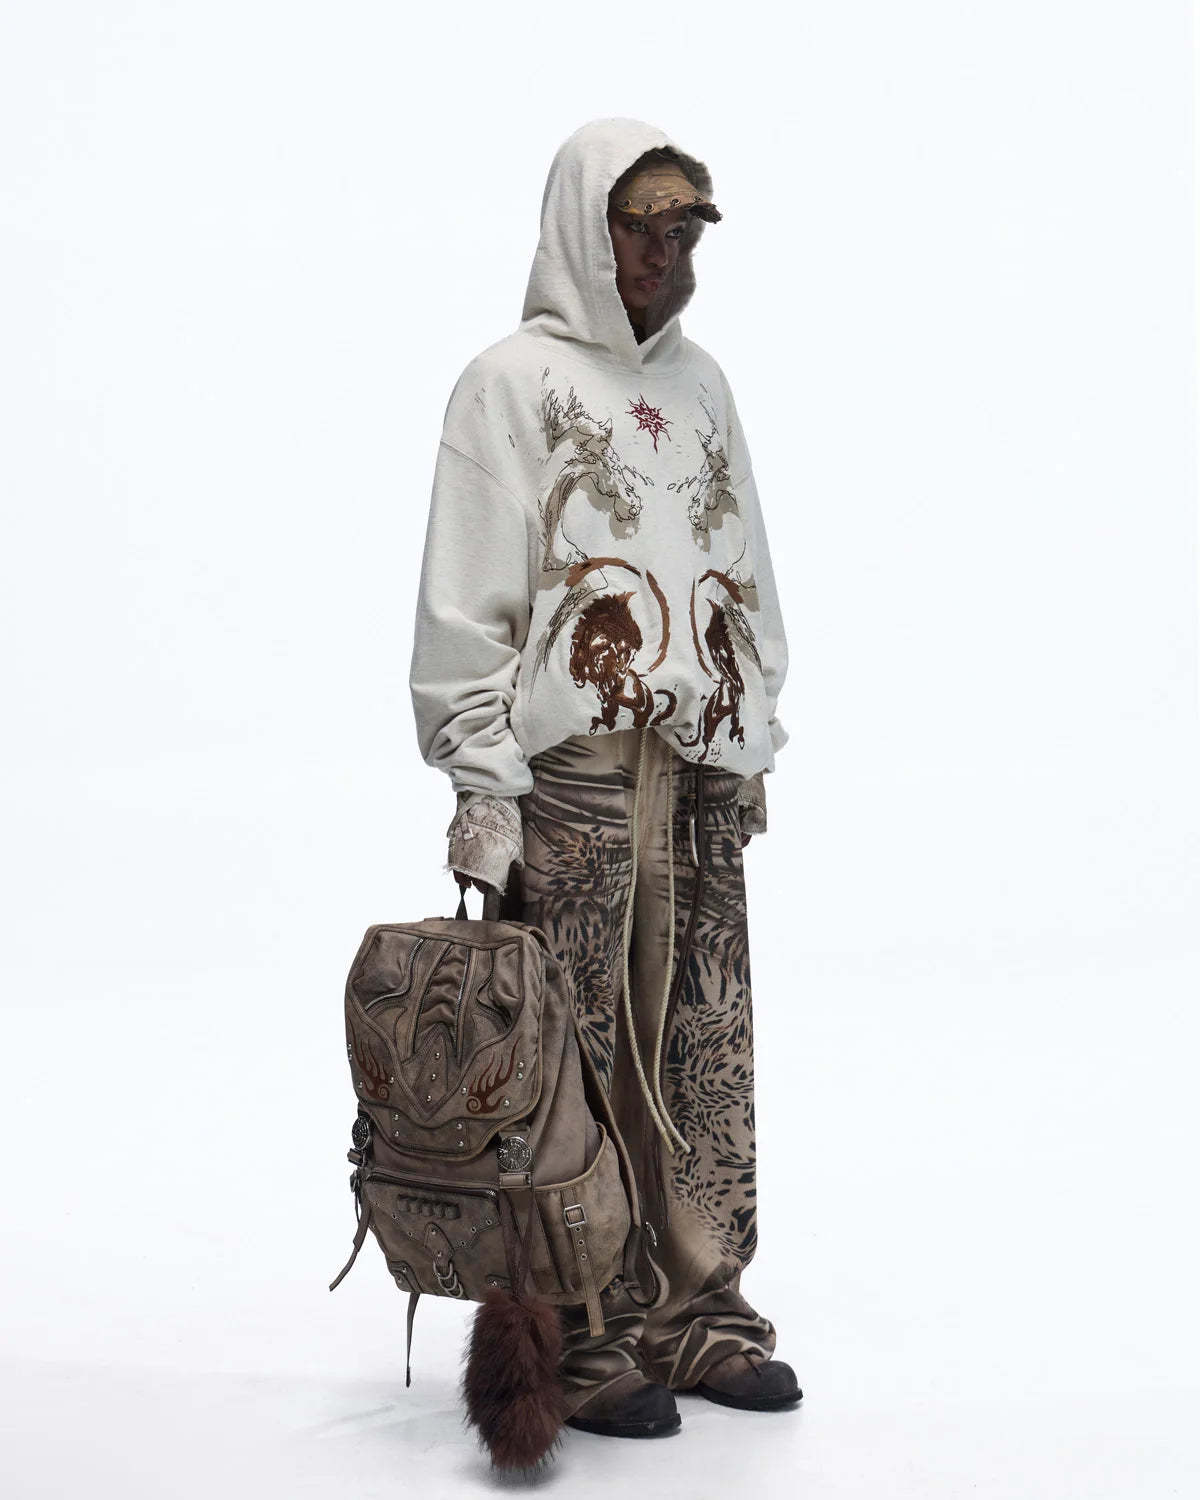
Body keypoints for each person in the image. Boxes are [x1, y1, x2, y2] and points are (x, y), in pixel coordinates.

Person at [409, 117, 800, 1441]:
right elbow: (467, 600)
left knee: (701, 1043)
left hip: (692, 768)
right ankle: (577, 1330)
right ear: (588, 229)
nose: (669, 260)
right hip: (570, 773)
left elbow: (743, 565)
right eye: (647, 233)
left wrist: (751, 733)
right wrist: (482, 787)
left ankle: (698, 1309)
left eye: (686, 236)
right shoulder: (508, 386)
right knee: (569, 1057)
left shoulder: (704, 387)